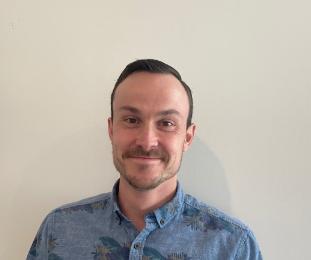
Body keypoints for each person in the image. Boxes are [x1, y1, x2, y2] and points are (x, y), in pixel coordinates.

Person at [27, 59, 262, 259]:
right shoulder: (60, 228)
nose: (147, 141)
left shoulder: (232, 245)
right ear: (111, 130)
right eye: (131, 120)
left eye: (167, 123)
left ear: (187, 138)